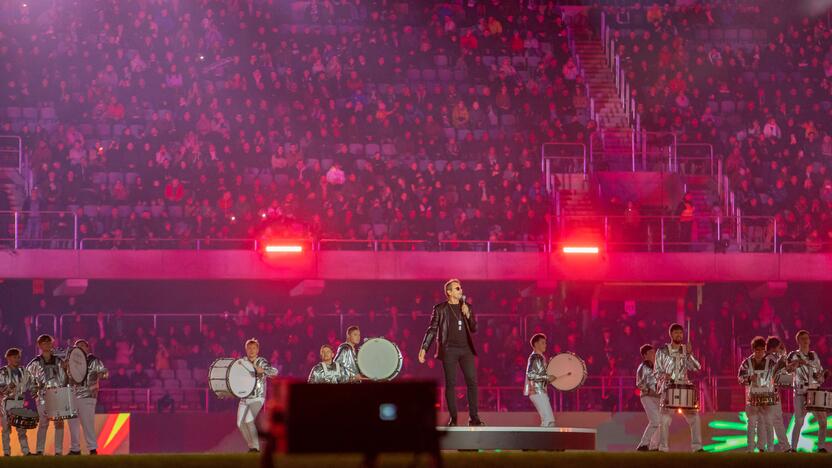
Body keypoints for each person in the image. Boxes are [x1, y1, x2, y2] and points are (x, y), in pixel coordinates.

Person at [418, 278, 483, 427]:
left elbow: (474, 328)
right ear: (449, 292)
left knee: (472, 381)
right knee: (451, 383)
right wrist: (424, 348)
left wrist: (468, 315)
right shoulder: (440, 309)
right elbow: (432, 329)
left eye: (460, 288)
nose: (461, 291)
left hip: (466, 349)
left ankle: (474, 417)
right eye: (457, 288)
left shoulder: (467, 307)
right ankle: (454, 419)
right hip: (449, 350)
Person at [654, 323, 703, 452]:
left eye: (681, 333)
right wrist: (665, 375)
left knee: (694, 418)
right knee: (664, 420)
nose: (679, 335)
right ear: (670, 334)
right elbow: (656, 371)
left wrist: (690, 354)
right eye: (676, 333)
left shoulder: (685, 350)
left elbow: (697, 367)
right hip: (668, 388)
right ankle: (663, 448)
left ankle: (697, 447)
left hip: (684, 387)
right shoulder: (662, 351)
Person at [738, 336, 783, 452]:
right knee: (752, 422)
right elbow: (740, 378)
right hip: (752, 398)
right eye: (757, 350)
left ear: (765, 350)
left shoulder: (771, 362)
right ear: (753, 350)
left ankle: (770, 448)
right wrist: (748, 378)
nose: (760, 353)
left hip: (767, 396)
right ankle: (750, 448)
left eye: (762, 350)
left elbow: (780, 374)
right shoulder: (747, 362)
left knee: (768, 422)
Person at [787, 330, 829, 453]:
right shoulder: (793, 355)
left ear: (810, 340)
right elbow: (788, 369)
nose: (805, 341)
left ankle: (821, 447)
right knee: (799, 420)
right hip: (801, 392)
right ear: (798, 341)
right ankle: (793, 448)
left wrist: (823, 376)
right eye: (802, 339)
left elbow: (818, 374)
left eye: (807, 338)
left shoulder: (814, 355)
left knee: (823, 420)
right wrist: (797, 364)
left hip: (815, 391)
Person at [26, 335, 68, 456]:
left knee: (59, 422)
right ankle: (40, 450)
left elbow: (65, 379)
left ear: (52, 344)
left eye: (49, 343)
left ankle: (58, 451)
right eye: (44, 343)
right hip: (42, 396)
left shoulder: (59, 361)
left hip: (57, 394)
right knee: (44, 422)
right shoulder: (34, 363)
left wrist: (66, 370)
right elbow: (29, 379)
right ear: (38, 345)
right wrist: (35, 393)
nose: (47, 345)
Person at [68, 339, 108, 456]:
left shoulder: (94, 360)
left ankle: (92, 449)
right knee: (73, 423)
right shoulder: (71, 362)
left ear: (87, 348)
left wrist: (101, 374)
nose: (80, 347)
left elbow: (104, 374)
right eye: (77, 346)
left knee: (87, 423)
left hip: (88, 395)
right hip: (72, 395)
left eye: (82, 345)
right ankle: (75, 449)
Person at [237, 338, 277, 453]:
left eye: (254, 348)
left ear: (258, 350)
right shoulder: (243, 362)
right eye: (249, 348)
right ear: (246, 350)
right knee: (240, 423)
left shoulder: (262, 361)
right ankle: (252, 446)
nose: (251, 350)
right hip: (244, 398)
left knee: (249, 420)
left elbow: (274, 372)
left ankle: (255, 448)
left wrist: (263, 371)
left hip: (258, 397)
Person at [765, 336, 794, 452]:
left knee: (777, 420)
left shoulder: (774, 358)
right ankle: (771, 447)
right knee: (770, 420)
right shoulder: (768, 359)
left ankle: (784, 447)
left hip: (774, 392)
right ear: (773, 348)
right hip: (767, 393)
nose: (779, 350)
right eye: (778, 348)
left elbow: (781, 373)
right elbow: (771, 374)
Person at [0, 348, 30, 456]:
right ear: (8, 358)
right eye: (14, 357)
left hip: (19, 402)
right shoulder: (2, 372)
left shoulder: (23, 371)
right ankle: (7, 452)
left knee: (21, 429)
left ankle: (26, 451)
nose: (17, 359)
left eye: (18, 357)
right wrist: (8, 387)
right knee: (6, 430)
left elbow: (30, 385)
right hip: (6, 403)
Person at [524, 333, 556, 427]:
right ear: (536, 344)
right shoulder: (536, 357)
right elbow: (531, 375)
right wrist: (547, 378)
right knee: (549, 422)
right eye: (543, 343)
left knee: (547, 421)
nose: (545, 345)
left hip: (539, 392)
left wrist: (548, 378)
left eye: (545, 343)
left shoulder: (538, 357)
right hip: (538, 392)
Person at [635, 344, 660, 451]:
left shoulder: (657, 367)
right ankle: (643, 445)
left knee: (661, 422)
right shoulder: (642, 367)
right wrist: (649, 390)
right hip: (647, 396)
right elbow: (639, 383)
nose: (654, 354)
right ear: (645, 355)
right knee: (655, 420)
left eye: (654, 352)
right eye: (651, 352)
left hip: (657, 397)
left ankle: (654, 447)